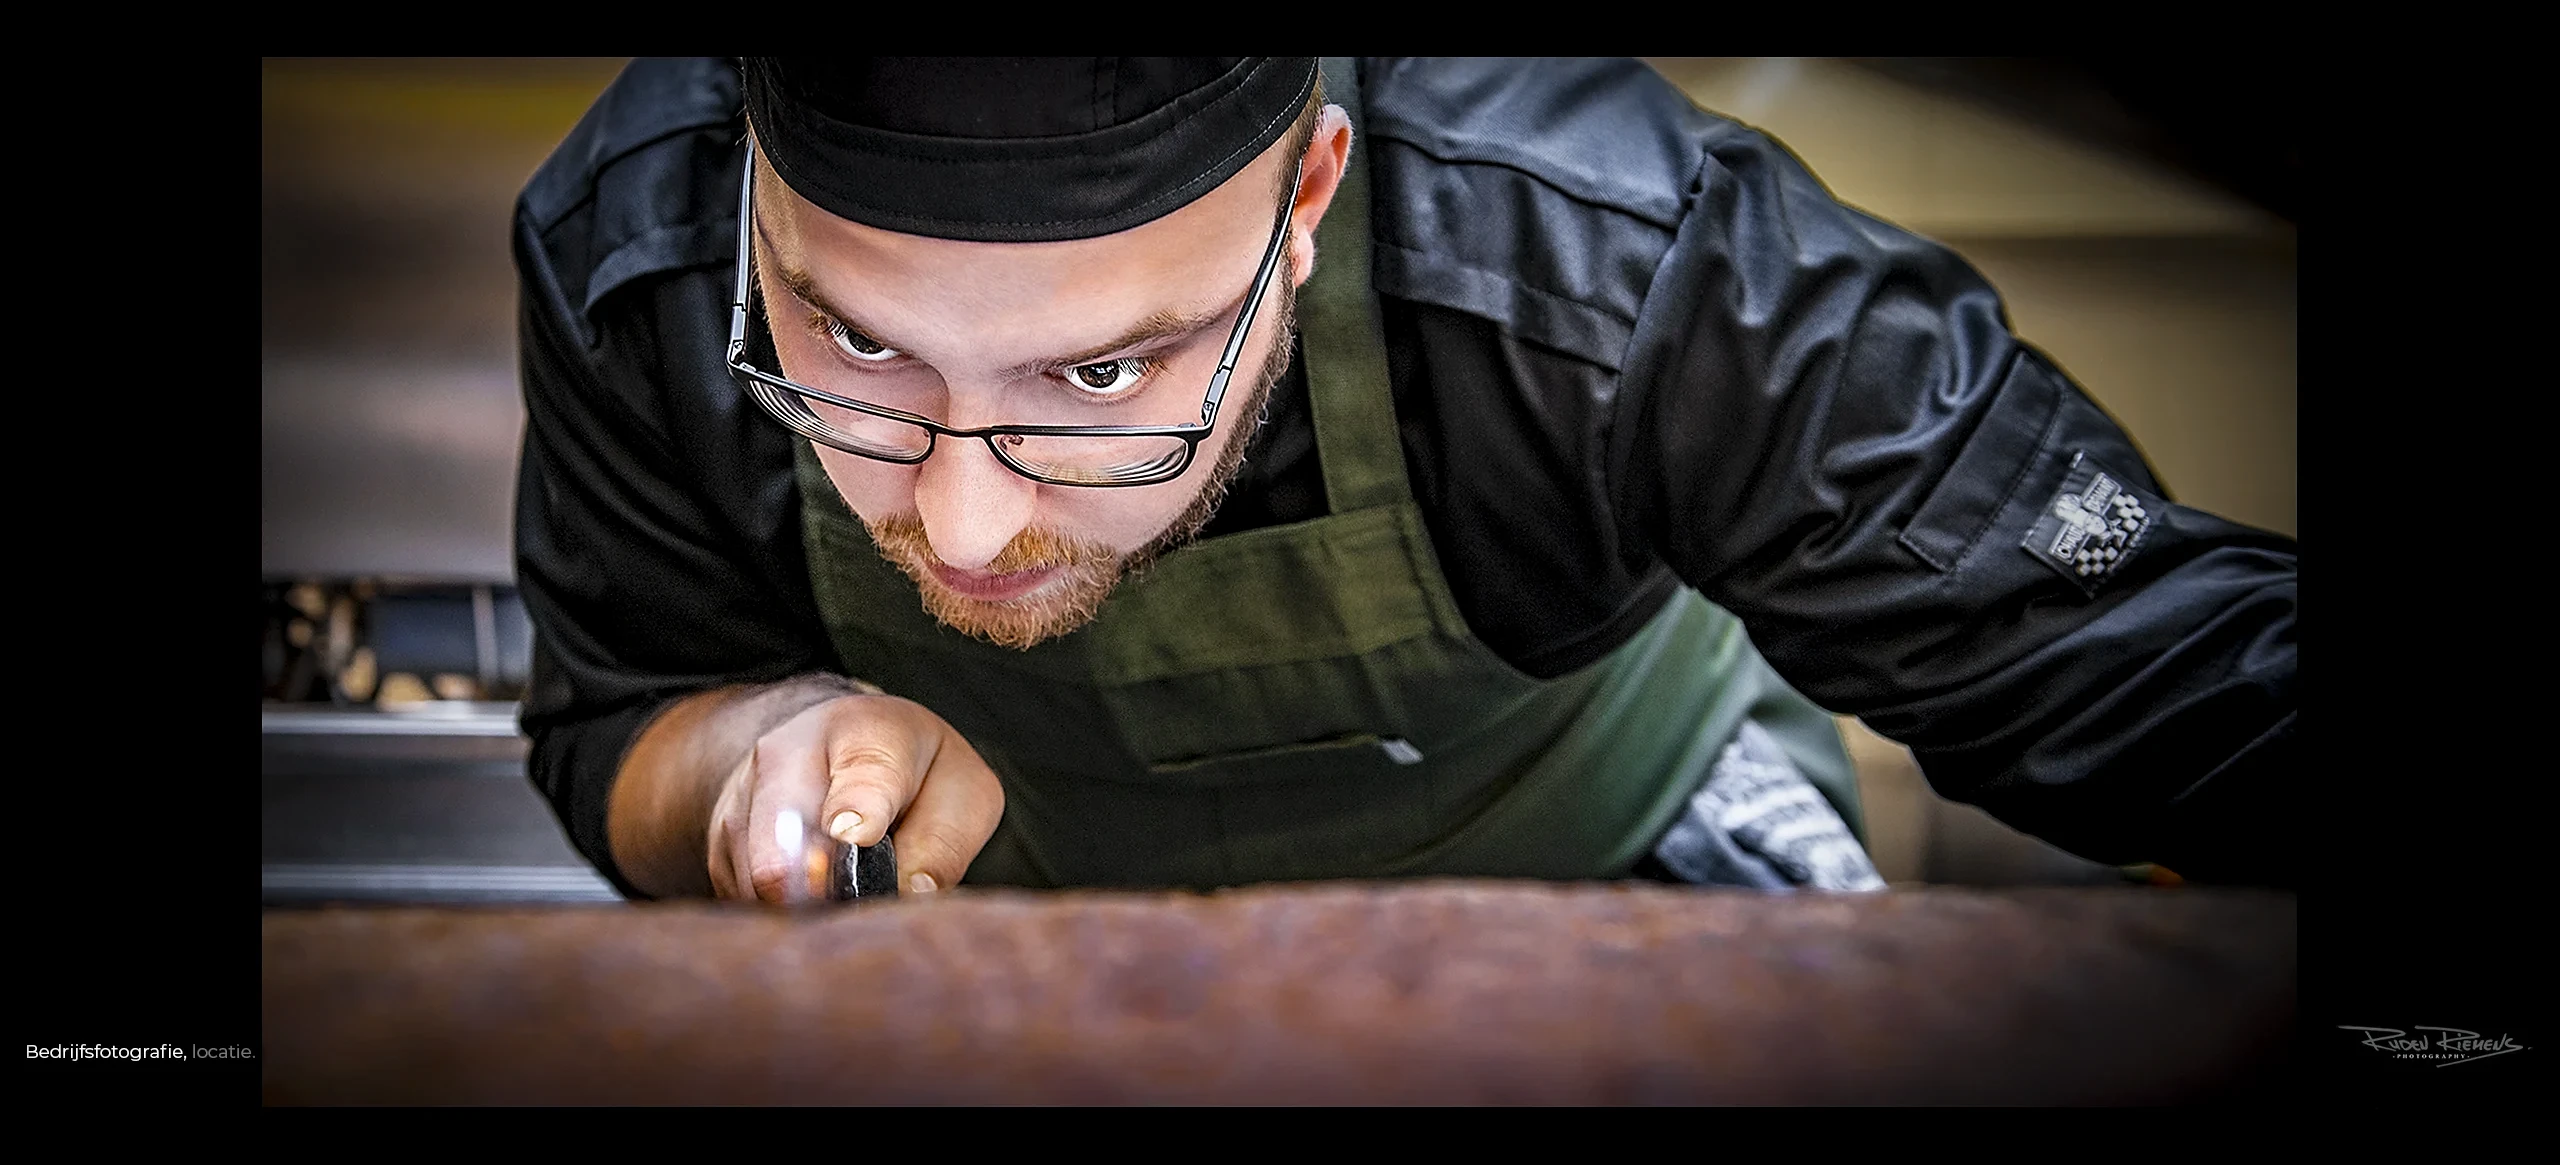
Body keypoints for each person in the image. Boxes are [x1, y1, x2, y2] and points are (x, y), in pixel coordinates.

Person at [510, 57, 2297, 903]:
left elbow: (2152, 654)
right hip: (988, 950)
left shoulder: (1614, 263)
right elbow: (614, 716)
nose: (966, 523)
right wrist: (746, 759)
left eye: (1108, 374)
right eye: (859, 350)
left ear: (1307, 202)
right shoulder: (630, 255)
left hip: (1628, 866)